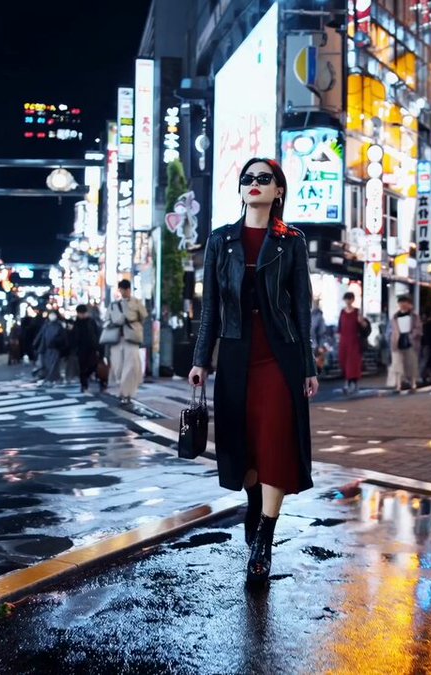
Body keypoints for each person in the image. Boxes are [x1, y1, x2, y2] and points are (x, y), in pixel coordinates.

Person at [188, 157, 318, 588]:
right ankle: (254, 504)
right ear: (241, 190)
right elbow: (211, 310)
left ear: (278, 190)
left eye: (265, 179)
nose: (255, 184)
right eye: (248, 179)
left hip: (280, 355)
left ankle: (264, 537)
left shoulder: (292, 241)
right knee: (243, 449)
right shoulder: (220, 241)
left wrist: (309, 366)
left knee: (275, 441)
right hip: (237, 354)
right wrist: (199, 360)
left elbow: (302, 309)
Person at [106, 279, 148, 405]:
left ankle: (126, 393)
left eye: (124, 289)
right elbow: (107, 319)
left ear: (129, 289)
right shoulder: (113, 305)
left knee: (130, 367)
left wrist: (133, 325)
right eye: (121, 290)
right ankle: (123, 390)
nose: (123, 292)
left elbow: (143, 317)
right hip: (117, 338)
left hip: (131, 338)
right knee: (118, 366)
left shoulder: (137, 302)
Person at [336, 292, 367, 395]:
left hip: (354, 341)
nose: (348, 301)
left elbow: (364, 327)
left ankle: (352, 384)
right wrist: (338, 338)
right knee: (344, 362)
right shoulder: (342, 312)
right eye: (346, 299)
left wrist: (361, 322)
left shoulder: (357, 312)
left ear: (353, 300)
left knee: (353, 364)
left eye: (350, 299)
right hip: (344, 341)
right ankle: (348, 383)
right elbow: (339, 327)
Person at [389, 295, 421, 393]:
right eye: (401, 303)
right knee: (397, 364)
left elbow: (419, 328)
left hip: (410, 341)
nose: (402, 305)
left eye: (404, 302)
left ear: (408, 304)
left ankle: (413, 383)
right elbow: (391, 330)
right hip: (397, 341)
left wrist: (413, 334)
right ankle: (398, 384)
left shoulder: (414, 316)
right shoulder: (395, 316)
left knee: (411, 363)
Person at [72, 304, 103, 393]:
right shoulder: (76, 323)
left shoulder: (91, 322)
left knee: (92, 365)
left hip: (91, 348)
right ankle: (84, 384)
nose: (81, 315)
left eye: (82, 313)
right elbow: (74, 336)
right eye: (79, 313)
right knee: (82, 367)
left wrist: (98, 347)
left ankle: (87, 378)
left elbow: (96, 334)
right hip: (81, 348)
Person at [33, 311, 67, 386]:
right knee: (45, 363)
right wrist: (35, 343)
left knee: (53, 364)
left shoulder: (59, 325)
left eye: (53, 315)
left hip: (55, 348)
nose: (52, 316)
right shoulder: (46, 325)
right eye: (51, 314)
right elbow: (40, 335)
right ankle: (48, 377)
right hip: (45, 348)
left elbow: (63, 337)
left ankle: (51, 378)